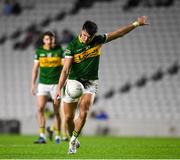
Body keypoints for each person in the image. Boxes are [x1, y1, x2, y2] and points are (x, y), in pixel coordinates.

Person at [54, 16, 149, 154]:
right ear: (82, 30)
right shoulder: (72, 46)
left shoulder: (97, 40)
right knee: (68, 117)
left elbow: (119, 33)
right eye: (85, 35)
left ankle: (73, 140)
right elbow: (65, 69)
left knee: (84, 109)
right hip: (74, 81)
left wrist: (136, 24)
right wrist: (58, 88)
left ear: (93, 35)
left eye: (89, 36)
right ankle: (71, 135)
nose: (86, 39)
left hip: (91, 82)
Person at [31, 31, 64, 144]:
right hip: (43, 84)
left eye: (51, 39)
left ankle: (58, 136)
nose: (49, 41)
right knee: (40, 109)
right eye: (47, 39)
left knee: (56, 111)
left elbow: (65, 67)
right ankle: (42, 136)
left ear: (54, 39)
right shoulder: (39, 51)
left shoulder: (60, 51)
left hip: (55, 85)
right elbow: (35, 68)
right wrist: (32, 84)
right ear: (43, 40)